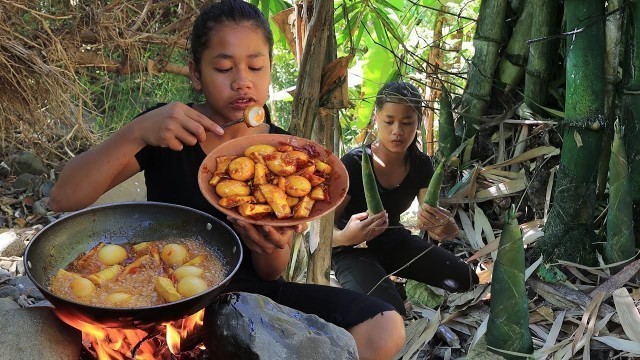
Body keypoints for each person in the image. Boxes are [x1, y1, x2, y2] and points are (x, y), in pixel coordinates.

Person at [48, 1, 405, 359]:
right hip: (168, 295)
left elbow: (270, 272)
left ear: (269, 70)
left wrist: (269, 241)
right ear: (196, 73)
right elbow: (64, 198)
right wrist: (137, 132)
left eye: (255, 66)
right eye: (223, 67)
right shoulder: (170, 130)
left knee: (384, 326)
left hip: (250, 301)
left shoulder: (284, 156)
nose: (242, 81)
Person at [332, 81, 479, 317]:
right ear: (377, 117)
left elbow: (431, 224)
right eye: (389, 121)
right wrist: (345, 236)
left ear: (419, 122)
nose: (397, 131)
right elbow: (320, 232)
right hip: (350, 250)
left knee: (466, 279)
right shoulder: (353, 163)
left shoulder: (421, 164)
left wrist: (446, 228)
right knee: (391, 313)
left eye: (407, 122)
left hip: (392, 241)